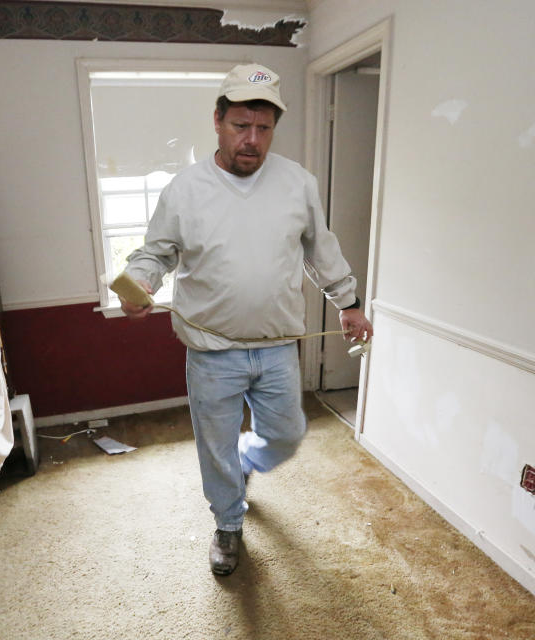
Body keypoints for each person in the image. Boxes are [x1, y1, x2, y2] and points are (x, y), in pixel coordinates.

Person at [117, 63, 373, 576]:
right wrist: (140, 282)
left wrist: (348, 302)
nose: (252, 140)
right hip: (212, 353)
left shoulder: (298, 183)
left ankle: (244, 468)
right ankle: (228, 525)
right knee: (215, 447)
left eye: (263, 128)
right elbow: (156, 253)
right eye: (240, 126)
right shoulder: (185, 190)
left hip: (278, 345)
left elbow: (320, 250)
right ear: (217, 120)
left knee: (285, 434)